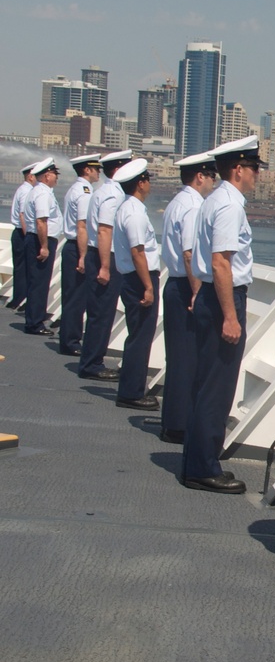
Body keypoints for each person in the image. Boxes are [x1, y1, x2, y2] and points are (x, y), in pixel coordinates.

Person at [181, 135, 263, 493]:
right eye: (254, 168)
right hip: (222, 302)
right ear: (239, 169)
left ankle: (197, 460)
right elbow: (220, 263)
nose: (257, 175)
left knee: (205, 385)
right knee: (216, 387)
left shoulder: (215, 200)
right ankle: (203, 467)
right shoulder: (230, 205)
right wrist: (230, 316)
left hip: (211, 299)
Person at [159, 150, 218, 444]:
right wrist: (197, 293)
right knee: (187, 359)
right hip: (186, 287)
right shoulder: (194, 206)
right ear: (200, 177)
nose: (213, 183)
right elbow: (189, 253)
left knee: (177, 356)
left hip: (174, 284)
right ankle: (179, 426)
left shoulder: (176, 203)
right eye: (211, 177)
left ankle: (171, 420)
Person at [111, 159, 161, 411]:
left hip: (134, 277)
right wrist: (148, 287)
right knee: (140, 337)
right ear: (140, 183)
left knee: (138, 335)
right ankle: (131, 392)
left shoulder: (127, 208)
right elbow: (138, 252)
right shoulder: (133, 212)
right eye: (147, 179)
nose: (149, 183)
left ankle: (131, 389)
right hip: (139, 279)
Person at [78, 149, 132, 381]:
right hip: (104, 257)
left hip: (99, 255)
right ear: (119, 169)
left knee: (99, 313)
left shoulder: (104, 191)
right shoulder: (113, 194)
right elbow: (104, 230)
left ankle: (92, 360)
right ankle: (92, 364)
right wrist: (105, 266)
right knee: (101, 313)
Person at [58, 153, 101, 356]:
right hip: (78, 247)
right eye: (96, 168)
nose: (99, 172)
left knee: (71, 296)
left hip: (72, 246)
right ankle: (71, 342)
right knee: (77, 297)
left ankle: (68, 339)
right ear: (87, 170)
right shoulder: (84, 191)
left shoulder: (75, 189)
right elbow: (82, 226)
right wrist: (83, 256)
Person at [22, 157, 62, 336]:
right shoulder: (43, 193)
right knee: (39, 283)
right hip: (40, 240)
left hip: (35, 239)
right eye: (54, 174)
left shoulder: (37, 191)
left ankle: (33, 319)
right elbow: (41, 221)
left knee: (36, 282)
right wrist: (44, 246)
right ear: (47, 176)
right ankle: (35, 323)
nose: (56, 177)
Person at [7, 163, 36, 312]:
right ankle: (20, 299)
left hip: (18, 233)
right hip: (22, 233)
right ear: (30, 176)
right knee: (24, 269)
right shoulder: (27, 191)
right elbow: (23, 215)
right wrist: (27, 238)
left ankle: (17, 299)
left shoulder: (23, 189)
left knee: (20, 268)